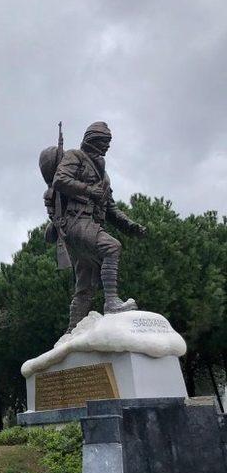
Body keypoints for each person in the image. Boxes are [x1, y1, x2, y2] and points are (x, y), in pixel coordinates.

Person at [52, 121, 146, 333]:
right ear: (92, 140)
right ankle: (111, 302)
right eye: (105, 141)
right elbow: (60, 179)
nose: (108, 146)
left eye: (109, 142)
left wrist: (130, 226)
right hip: (77, 222)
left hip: (89, 225)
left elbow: (110, 208)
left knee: (85, 287)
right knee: (111, 247)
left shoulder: (104, 175)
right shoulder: (75, 156)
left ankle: (71, 332)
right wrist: (88, 190)